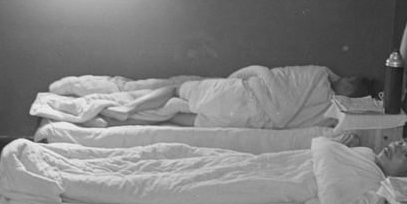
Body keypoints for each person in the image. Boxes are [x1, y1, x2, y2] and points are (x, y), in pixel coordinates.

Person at [106, 65, 376, 129]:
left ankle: (130, 106)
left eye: (348, 81)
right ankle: (127, 121)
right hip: (247, 119)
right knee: (178, 117)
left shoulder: (318, 75)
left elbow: (274, 76)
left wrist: (241, 76)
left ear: (350, 88)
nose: (342, 79)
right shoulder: (331, 113)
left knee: (177, 89)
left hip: (241, 95)